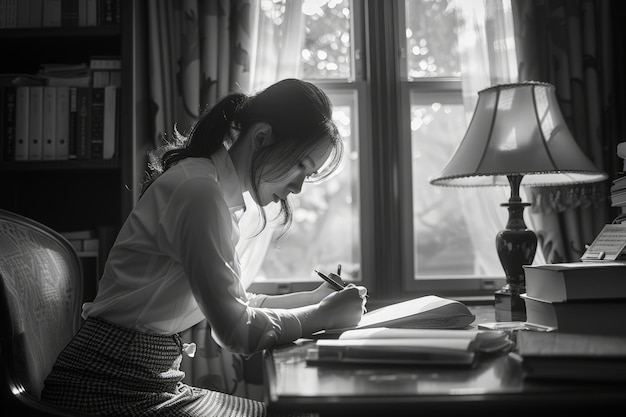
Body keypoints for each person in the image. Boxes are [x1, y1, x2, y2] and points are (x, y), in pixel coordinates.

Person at [41, 79, 367, 417]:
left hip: (145, 382)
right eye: (301, 165)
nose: (299, 187)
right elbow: (236, 330)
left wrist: (317, 299)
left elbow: (239, 301)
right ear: (261, 137)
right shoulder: (199, 193)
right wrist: (324, 315)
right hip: (106, 391)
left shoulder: (212, 191)